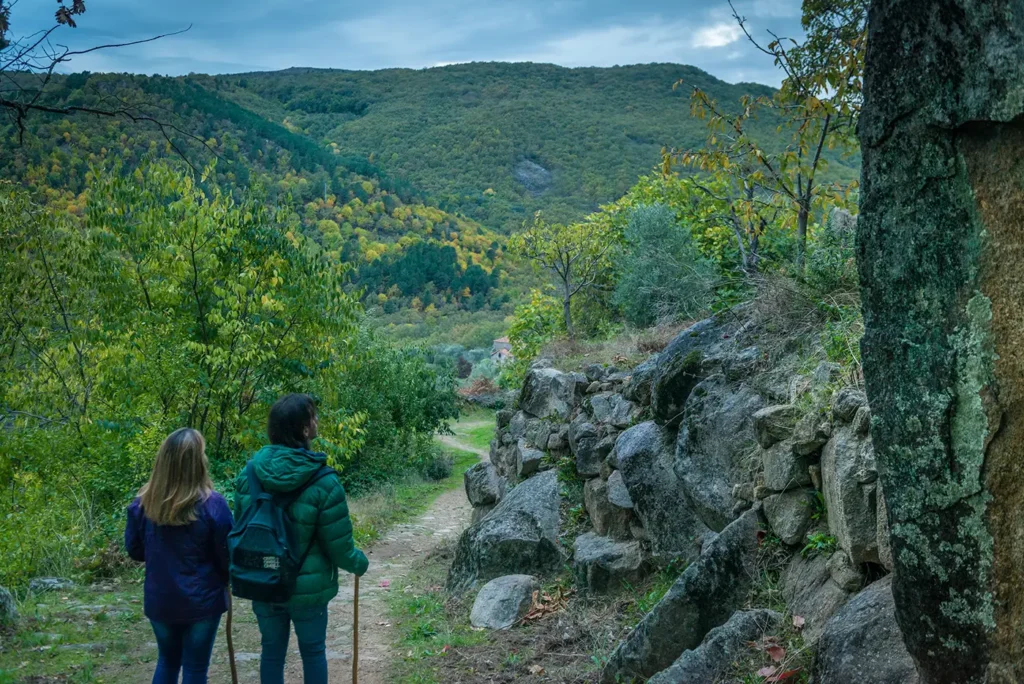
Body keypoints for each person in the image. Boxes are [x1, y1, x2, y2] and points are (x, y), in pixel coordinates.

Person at [234, 393, 369, 684]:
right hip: (307, 590)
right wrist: (359, 563)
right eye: (313, 416)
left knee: (271, 652)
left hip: (263, 580)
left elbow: (238, 529)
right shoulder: (325, 482)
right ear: (305, 429)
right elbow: (340, 548)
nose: (317, 420)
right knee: (312, 651)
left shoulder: (248, 476)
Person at [125, 428, 233, 684]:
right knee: (195, 669)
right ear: (197, 462)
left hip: (161, 599)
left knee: (167, 662)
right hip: (202, 602)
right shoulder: (213, 505)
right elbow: (227, 555)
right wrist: (227, 576)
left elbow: (135, 550)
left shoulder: (143, 504)